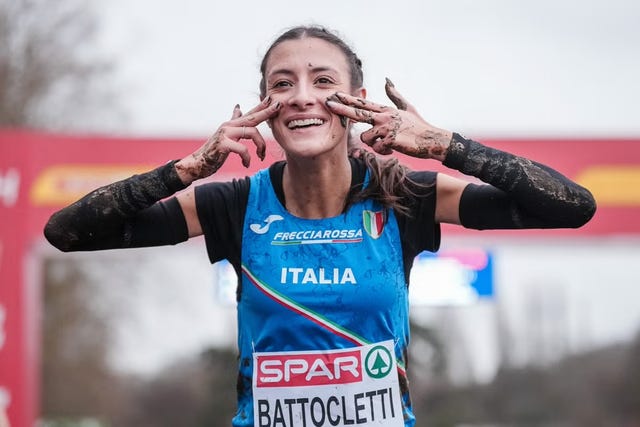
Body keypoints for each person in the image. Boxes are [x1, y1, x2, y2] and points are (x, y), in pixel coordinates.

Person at [44, 25, 596, 427]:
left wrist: (445, 145)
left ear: (355, 102)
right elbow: (67, 232)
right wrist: (186, 170)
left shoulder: (405, 198)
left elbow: (572, 205)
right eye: (282, 84)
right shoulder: (234, 206)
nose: (302, 96)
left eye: (322, 80)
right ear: (266, 106)